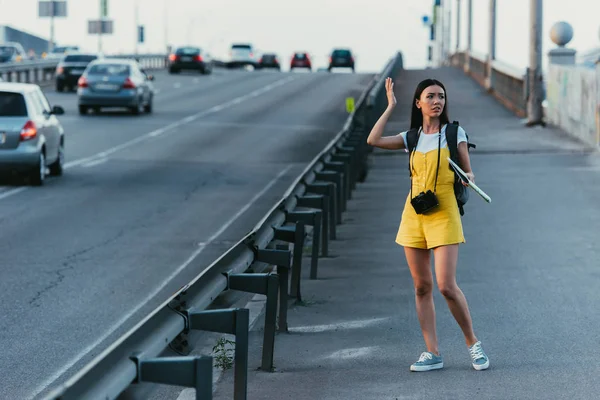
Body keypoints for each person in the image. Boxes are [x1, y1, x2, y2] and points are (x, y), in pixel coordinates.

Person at [366, 77, 489, 372]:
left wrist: (467, 178)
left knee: (446, 285)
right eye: (430, 96)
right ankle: (432, 352)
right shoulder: (411, 137)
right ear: (418, 103)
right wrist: (390, 106)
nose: (437, 101)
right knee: (422, 286)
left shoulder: (454, 133)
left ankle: (473, 344)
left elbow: (469, 172)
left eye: (441, 96)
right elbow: (373, 140)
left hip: (444, 212)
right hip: (414, 214)